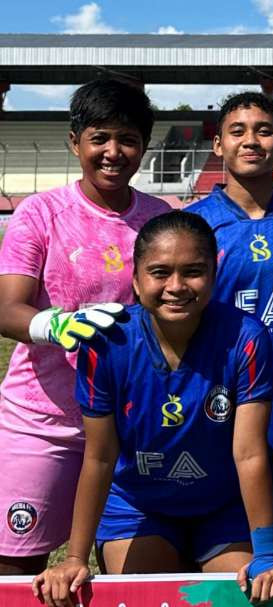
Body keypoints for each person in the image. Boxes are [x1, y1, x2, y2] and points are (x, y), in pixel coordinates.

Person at [31, 212, 273, 606]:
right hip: (138, 505)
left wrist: (268, 552)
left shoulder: (247, 338)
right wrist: (75, 557)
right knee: (146, 598)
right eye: (160, 272)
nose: (176, 286)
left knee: (242, 597)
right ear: (135, 279)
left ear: (214, 274)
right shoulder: (106, 344)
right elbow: (100, 457)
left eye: (193, 271)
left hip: (221, 505)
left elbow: (249, 452)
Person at [0, 79, 170, 575]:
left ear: (143, 145)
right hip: (42, 422)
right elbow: (7, 307)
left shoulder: (160, 219)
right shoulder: (41, 213)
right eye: (100, 137)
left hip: (131, 424)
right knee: (15, 565)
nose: (113, 152)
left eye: (128, 139)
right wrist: (55, 324)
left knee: (131, 571)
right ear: (75, 141)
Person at [186, 91, 273, 567]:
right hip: (216, 396)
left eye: (264, 131)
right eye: (238, 131)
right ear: (218, 145)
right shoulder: (193, 223)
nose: (252, 141)